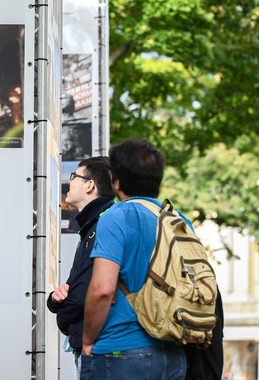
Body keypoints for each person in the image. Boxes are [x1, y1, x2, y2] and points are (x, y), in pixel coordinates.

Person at [81, 138, 187, 379]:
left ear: (117, 182)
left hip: (121, 351)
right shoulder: (178, 220)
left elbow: (102, 290)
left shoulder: (116, 216)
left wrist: (87, 341)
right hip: (174, 353)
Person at [47, 157, 114, 376]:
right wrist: (54, 299)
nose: (70, 182)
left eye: (74, 176)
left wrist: (62, 318)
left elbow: (85, 293)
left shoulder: (102, 225)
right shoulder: (92, 225)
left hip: (98, 350)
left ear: (90, 185)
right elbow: (74, 287)